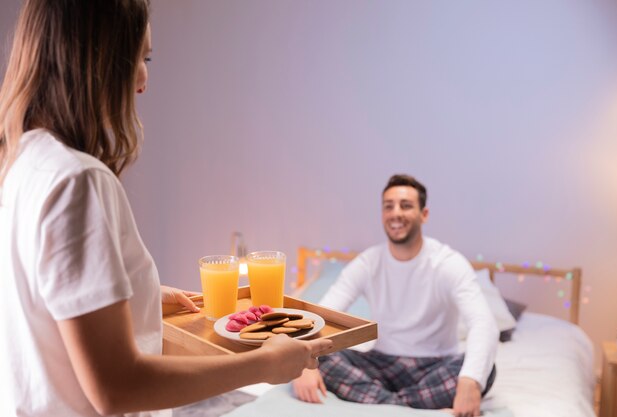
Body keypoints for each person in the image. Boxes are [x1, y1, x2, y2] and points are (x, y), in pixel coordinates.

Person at [0, 1, 332, 416]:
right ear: (101, 58)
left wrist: (140, 295)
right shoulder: (79, 181)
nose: (144, 81)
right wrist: (263, 365)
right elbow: (117, 388)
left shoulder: (21, 162)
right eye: (142, 57)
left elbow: (46, 296)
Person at [292, 174, 498, 417]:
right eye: (388, 206)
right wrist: (305, 365)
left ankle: (382, 405)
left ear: (424, 214)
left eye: (406, 205)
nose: (395, 213)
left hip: (436, 365)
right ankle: (409, 408)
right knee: (320, 357)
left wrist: (469, 381)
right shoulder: (368, 262)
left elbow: (483, 323)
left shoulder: (448, 263)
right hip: (380, 363)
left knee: (483, 370)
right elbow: (323, 315)